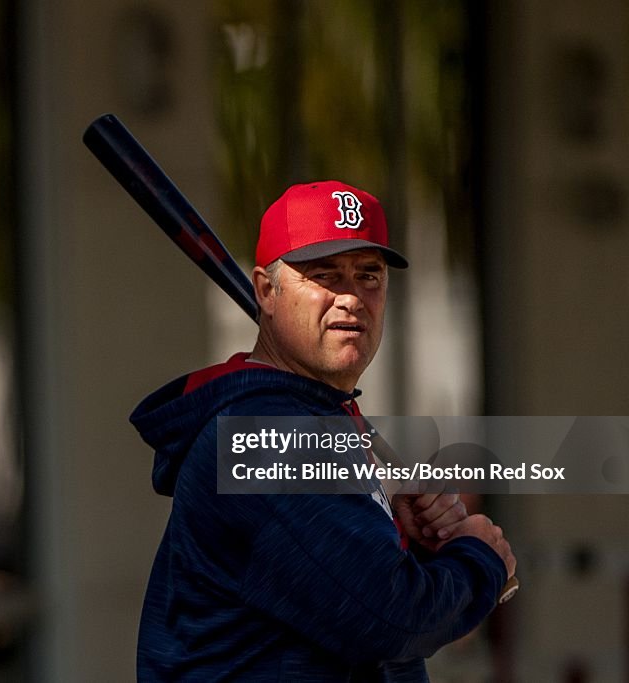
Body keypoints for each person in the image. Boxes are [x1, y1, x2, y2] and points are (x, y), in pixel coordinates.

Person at [130, 180, 517, 681]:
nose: (351, 297)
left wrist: (407, 541)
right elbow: (391, 619)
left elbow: (341, 601)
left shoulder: (307, 420)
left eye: (369, 275)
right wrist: (479, 559)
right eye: (324, 275)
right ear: (267, 292)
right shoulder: (268, 434)